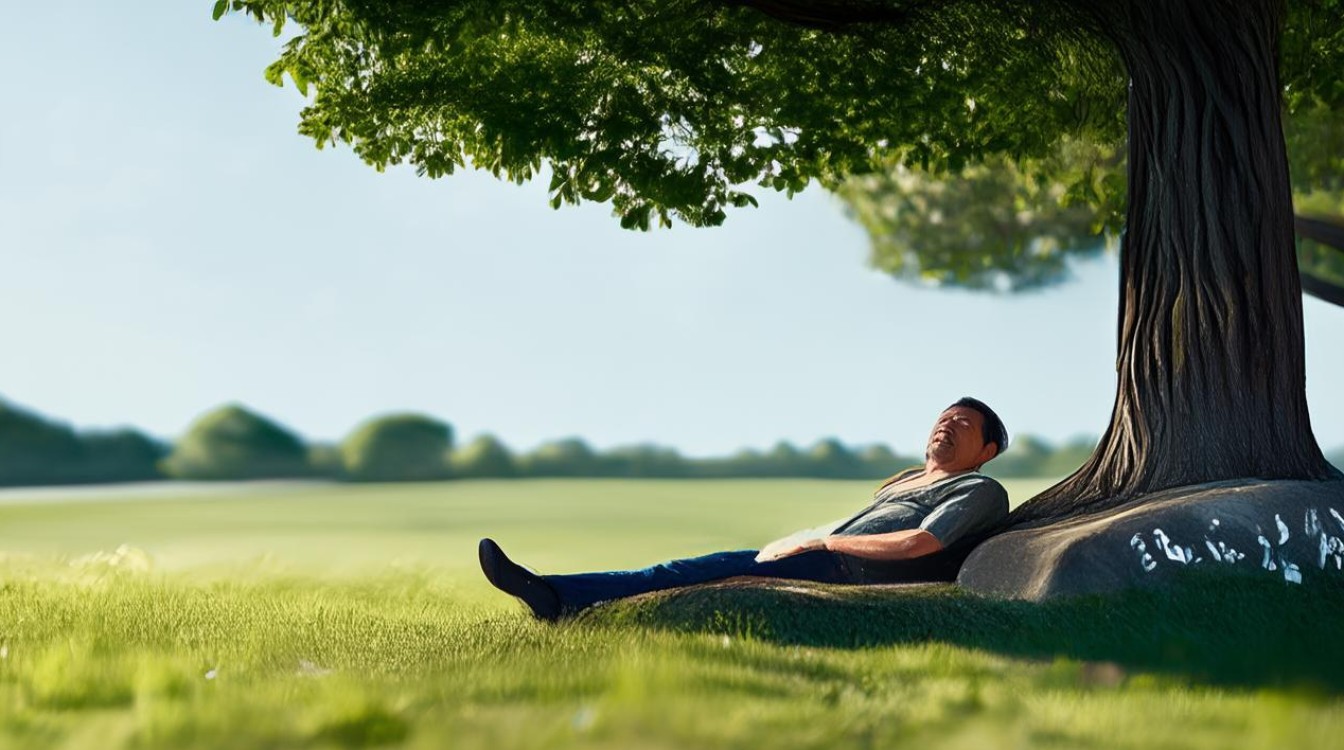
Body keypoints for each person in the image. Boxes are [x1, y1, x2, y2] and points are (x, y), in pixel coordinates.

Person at [479, 397, 1010, 621]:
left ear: (986, 451)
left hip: (848, 570)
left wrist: (823, 543)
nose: (947, 426)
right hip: (823, 555)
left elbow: (920, 543)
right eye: (943, 418)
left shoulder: (977, 490)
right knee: (697, 569)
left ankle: (556, 595)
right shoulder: (905, 481)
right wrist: (800, 537)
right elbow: (852, 526)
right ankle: (568, 598)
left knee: (688, 571)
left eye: (963, 424)